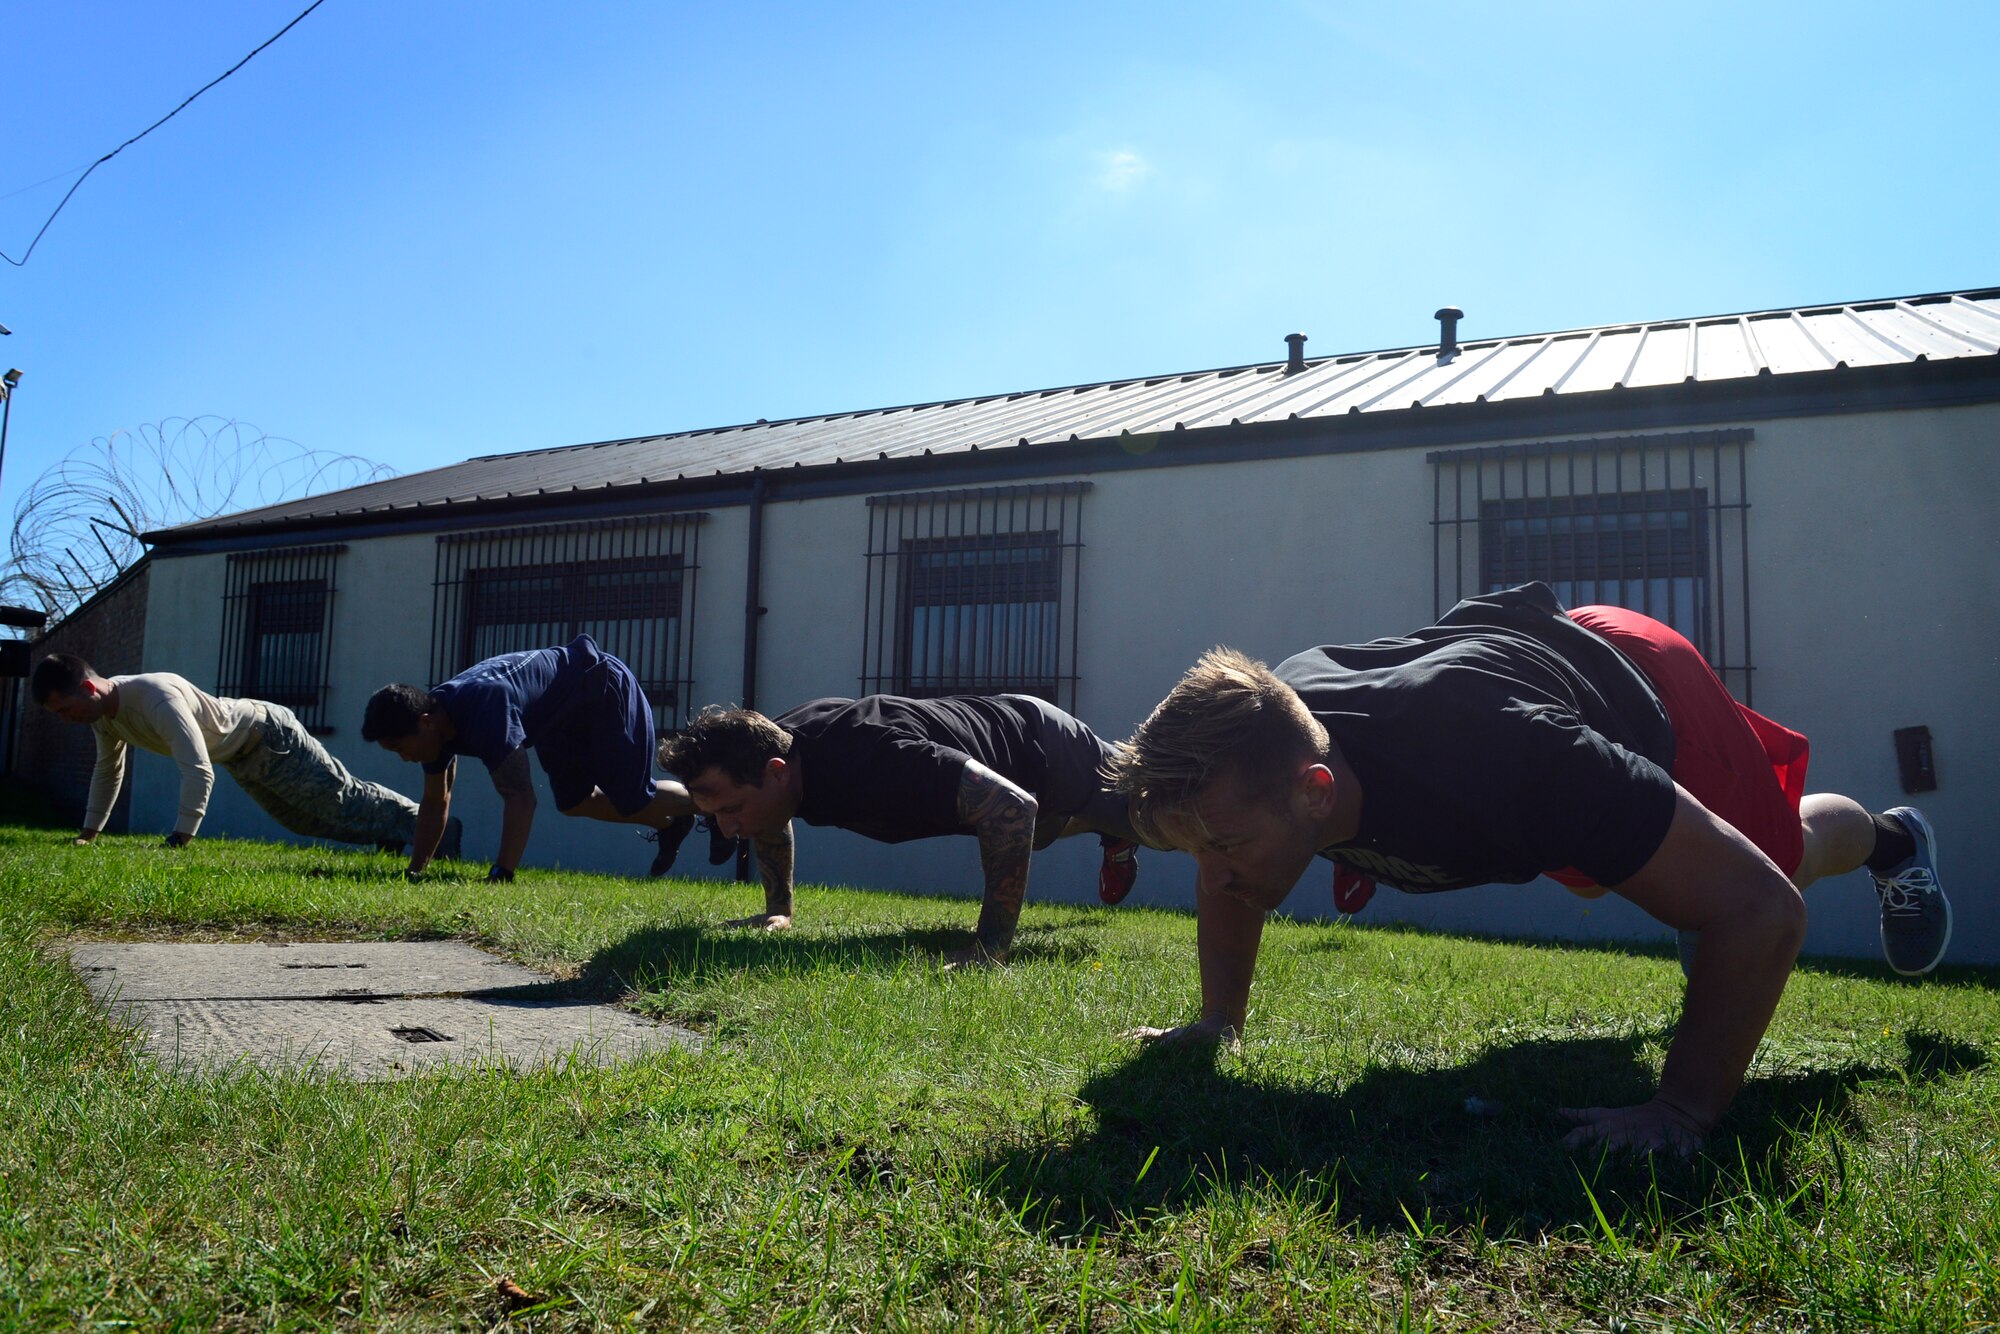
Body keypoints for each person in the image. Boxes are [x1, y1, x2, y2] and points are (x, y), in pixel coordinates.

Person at [1110, 583, 1949, 1155]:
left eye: (1221, 850)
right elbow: (1226, 852)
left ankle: (1894, 841)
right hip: (1522, 680)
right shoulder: (1272, 757)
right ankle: (1695, 901)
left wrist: (1680, 1110)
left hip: (1639, 683)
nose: (1212, 877)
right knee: (1603, 867)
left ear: (1317, 794)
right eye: (1198, 850)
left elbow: (1763, 910)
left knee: (1769, 871)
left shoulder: (1507, 757)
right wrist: (1221, 1017)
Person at [657, 694, 1151, 963]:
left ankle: (1123, 829)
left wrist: (990, 945)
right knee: (1040, 831)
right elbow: (763, 815)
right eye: (716, 814)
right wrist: (778, 911)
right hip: (1017, 785)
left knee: (1166, 819)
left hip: (1039, 743)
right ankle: (1108, 828)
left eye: (732, 809)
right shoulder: (770, 754)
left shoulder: (869, 758)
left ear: (777, 771)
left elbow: (1012, 805)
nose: (728, 827)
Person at [31, 652, 455, 858]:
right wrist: (90, 833)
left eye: (65, 709)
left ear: (88, 689)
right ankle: (395, 834)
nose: (66, 719)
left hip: (267, 734)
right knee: (304, 819)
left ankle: (432, 829)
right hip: (240, 756)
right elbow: (109, 770)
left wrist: (180, 837)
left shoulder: (156, 697)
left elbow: (196, 768)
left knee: (339, 799)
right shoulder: (101, 717)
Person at [362, 634, 694, 882]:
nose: (405, 758)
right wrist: (415, 873)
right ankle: (672, 821)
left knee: (632, 797)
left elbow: (521, 798)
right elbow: (436, 801)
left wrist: (501, 874)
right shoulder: (433, 727)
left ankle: (708, 804)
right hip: (557, 718)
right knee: (574, 802)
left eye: (400, 748)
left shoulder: (486, 708)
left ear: (425, 722)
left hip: (601, 689)